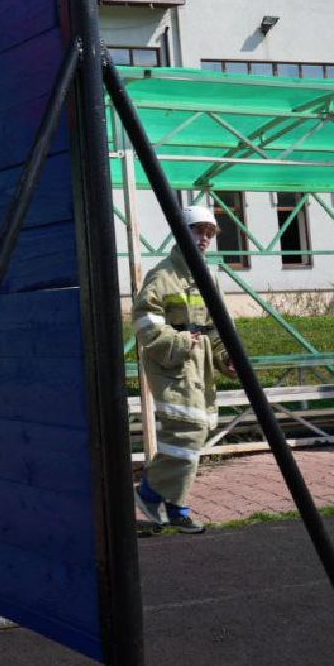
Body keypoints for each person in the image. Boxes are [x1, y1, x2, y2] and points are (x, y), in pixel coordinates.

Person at [134, 204, 238, 533]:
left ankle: (173, 507)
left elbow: (218, 327)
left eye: (210, 233)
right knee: (186, 434)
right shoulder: (163, 275)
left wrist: (227, 358)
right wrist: (181, 344)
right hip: (173, 367)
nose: (205, 238)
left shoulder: (208, 278)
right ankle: (149, 495)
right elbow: (145, 323)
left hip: (199, 367)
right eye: (198, 230)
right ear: (181, 231)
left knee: (194, 434)